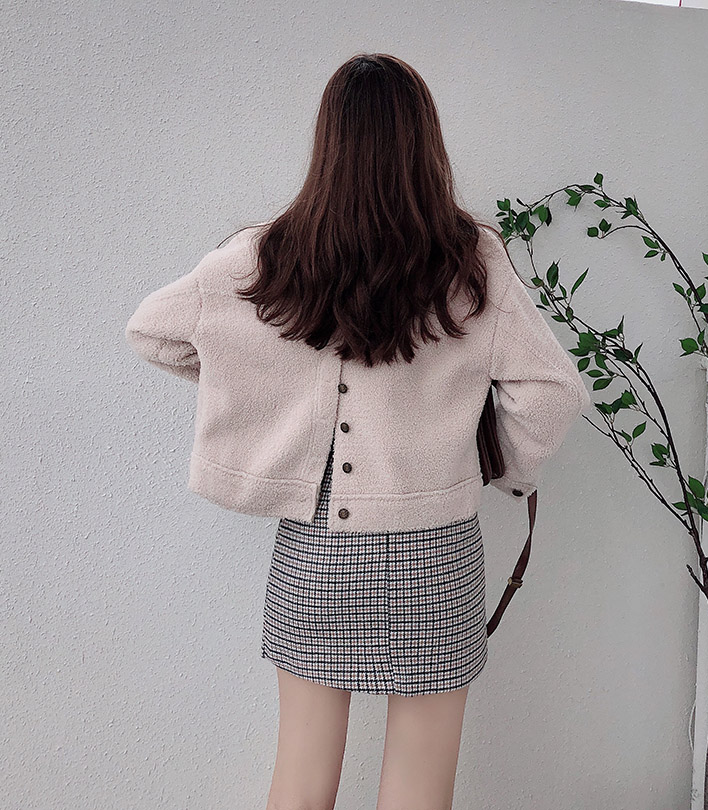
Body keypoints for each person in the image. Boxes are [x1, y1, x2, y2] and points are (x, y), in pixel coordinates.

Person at [125, 52, 589, 810]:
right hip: (435, 549)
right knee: (420, 786)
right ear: (425, 144)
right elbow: (551, 391)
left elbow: (154, 331)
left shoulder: (269, 252)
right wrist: (508, 467)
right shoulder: (472, 259)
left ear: (328, 143)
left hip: (316, 543)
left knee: (301, 779)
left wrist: (269, 396)